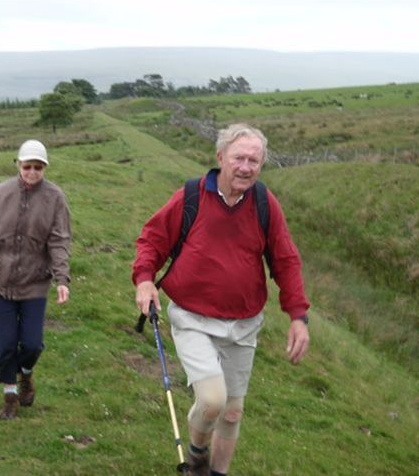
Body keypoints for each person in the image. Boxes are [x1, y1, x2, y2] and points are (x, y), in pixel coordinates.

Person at [132, 123, 310, 475]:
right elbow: (152, 240)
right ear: (220, 157)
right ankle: (198, 453)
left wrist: (298, 316)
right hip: (193, 319)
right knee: (213, 401)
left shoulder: (264, 204)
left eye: (254, 161)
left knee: (232, 412)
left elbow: (286, 260)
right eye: (238, 158)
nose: (246, 167)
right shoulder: (191, 196)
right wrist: (144, 280)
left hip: (244, 324)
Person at [0, 139, 71, 420]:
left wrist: (62, 279)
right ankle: (10, 397)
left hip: (34, 284)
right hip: (0, 282)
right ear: (18, 165)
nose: (32, 172)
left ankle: (26, 375)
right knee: (6, 344)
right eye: (27, 166)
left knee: (31, 344)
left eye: (38, 167)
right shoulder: (2, 192)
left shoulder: (55, 198)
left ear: (45, 168)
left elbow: (59, 241)